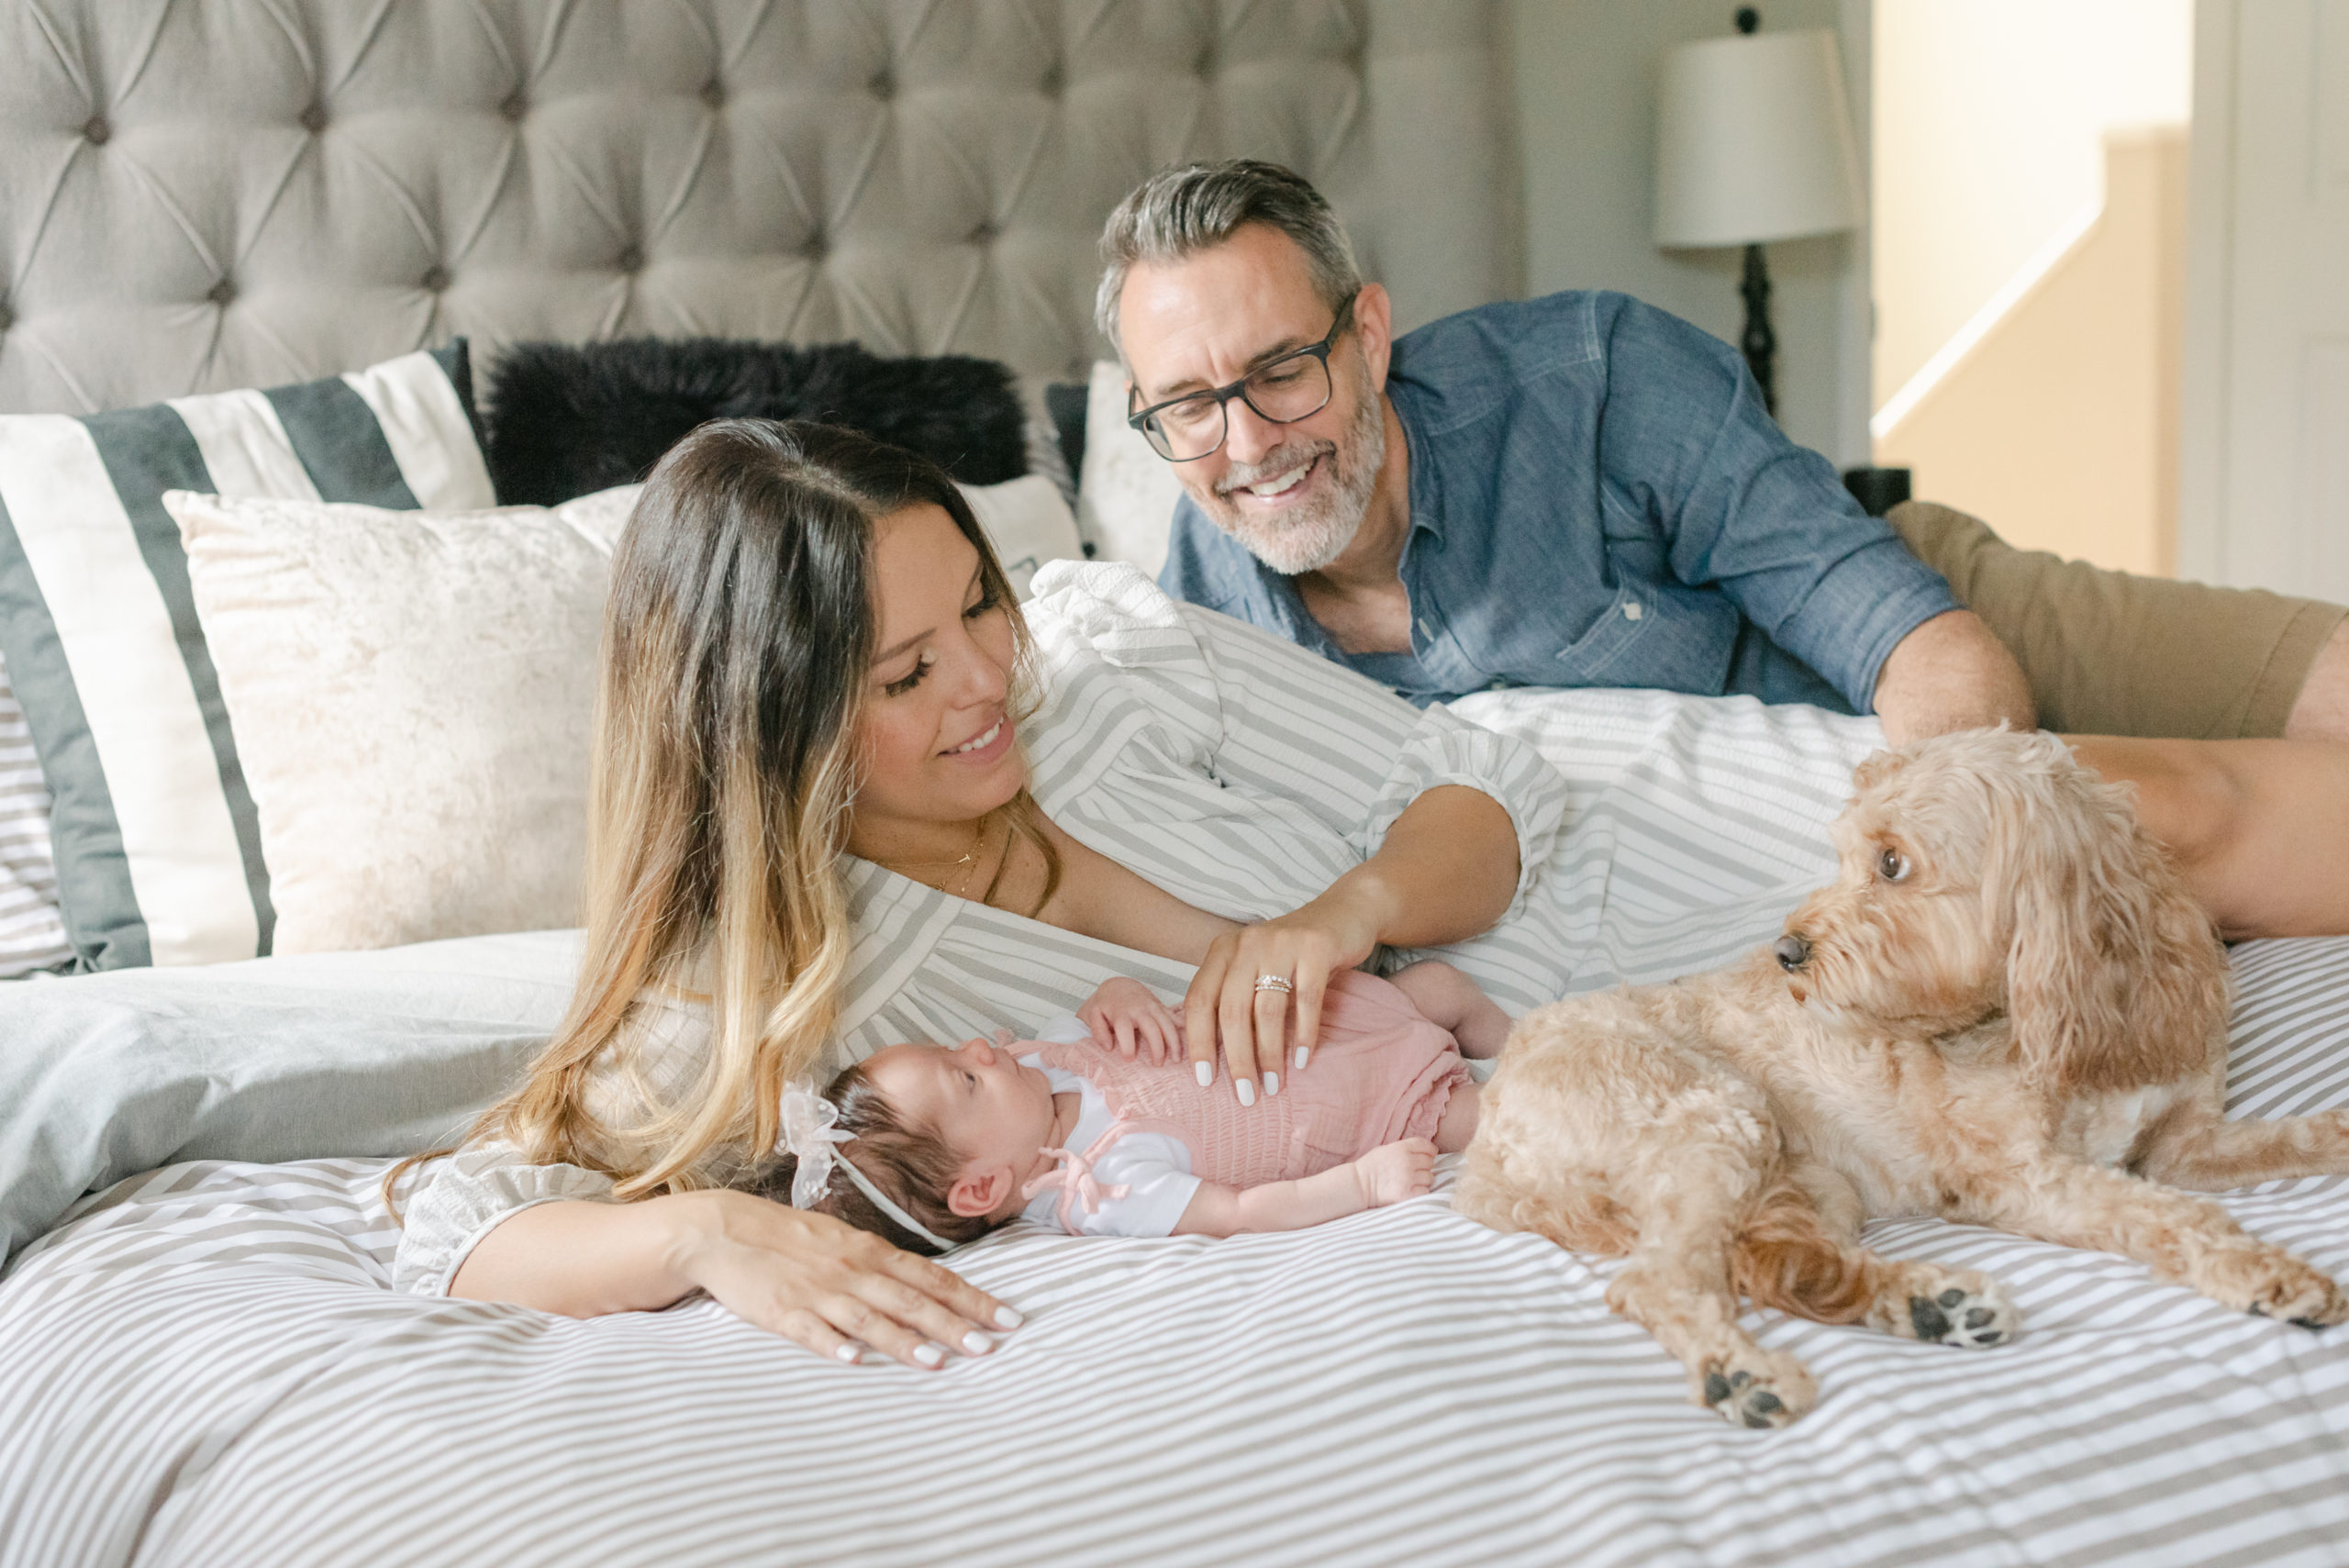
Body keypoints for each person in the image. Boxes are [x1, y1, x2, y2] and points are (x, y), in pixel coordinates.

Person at [393, 417, 1568, 1372]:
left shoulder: (1110, 661)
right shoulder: (789, 1010)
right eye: (907, 672)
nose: (989, 676)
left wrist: (1348, 911)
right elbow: (460, 1226)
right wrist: (710, 1230)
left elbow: (1485, 771)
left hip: (1650, 877)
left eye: (978, 604)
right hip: (1564, 1074)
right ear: (778, 738)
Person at [1103, 160, 2349, 940]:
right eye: (1187, 407)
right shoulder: (1193, 629)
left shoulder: (1591, 376)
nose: (1249, 439)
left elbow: (1909, 633)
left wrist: (1949, 885)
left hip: (1928, 631)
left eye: (1281, 370)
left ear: (1369, 334)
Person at [776, 964, 1506, 1251]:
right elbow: (1239, 1211)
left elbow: (1112, 1009)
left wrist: (1117, 994)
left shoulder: (1039, 1059)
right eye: (966, 1080)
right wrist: (1364, 1183)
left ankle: (1537, 1035)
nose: (981, 1048)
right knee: (1495, 1118)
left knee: (1439, 986)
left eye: (955, 1049)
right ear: (982, 1187)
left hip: (1329, 1026)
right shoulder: (1102, 1187)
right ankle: (1567, 1079)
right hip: (1371, 1110)